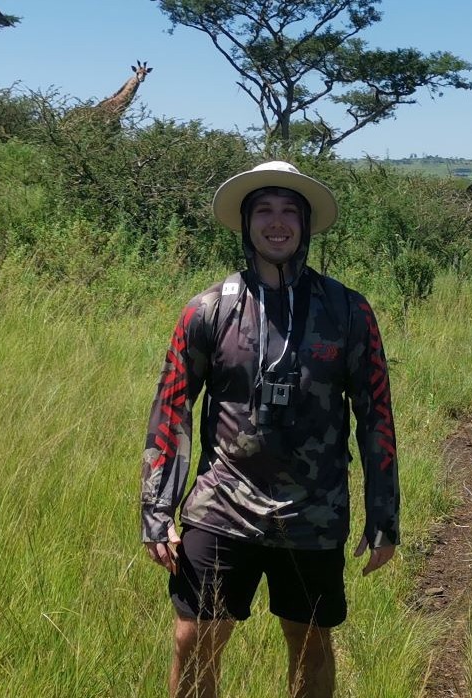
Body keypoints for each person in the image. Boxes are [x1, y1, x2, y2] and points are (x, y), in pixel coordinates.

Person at [138, 161, 400, 698]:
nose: (276, 223)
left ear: (304, 224)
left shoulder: (348, 311)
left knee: (311, 644)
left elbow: (376, 414)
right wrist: (157, 509)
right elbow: (172, 410)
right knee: (194, 636)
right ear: (246, 223)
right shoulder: (208, 309)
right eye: (264, 210)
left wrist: (384, 514)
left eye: (288, 211)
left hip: (314, 511)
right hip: (221, 505)